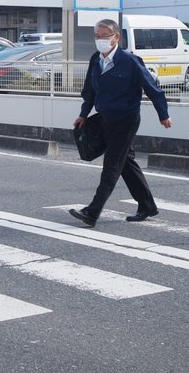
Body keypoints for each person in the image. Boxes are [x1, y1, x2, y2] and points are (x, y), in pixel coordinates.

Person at [69, 19, 172, 228]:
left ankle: (92, 211)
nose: (99, 40)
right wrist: (83, 114)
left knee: (112, 165)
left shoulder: (130, 61)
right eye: (96, 36)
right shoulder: (95, 60)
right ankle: (147, 206)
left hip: (126, 119)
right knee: (126, 163)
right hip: (105, 118)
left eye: (104, 35)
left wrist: (163, 114)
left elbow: (152, 88)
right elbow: (89, 91)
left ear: (116, 37)